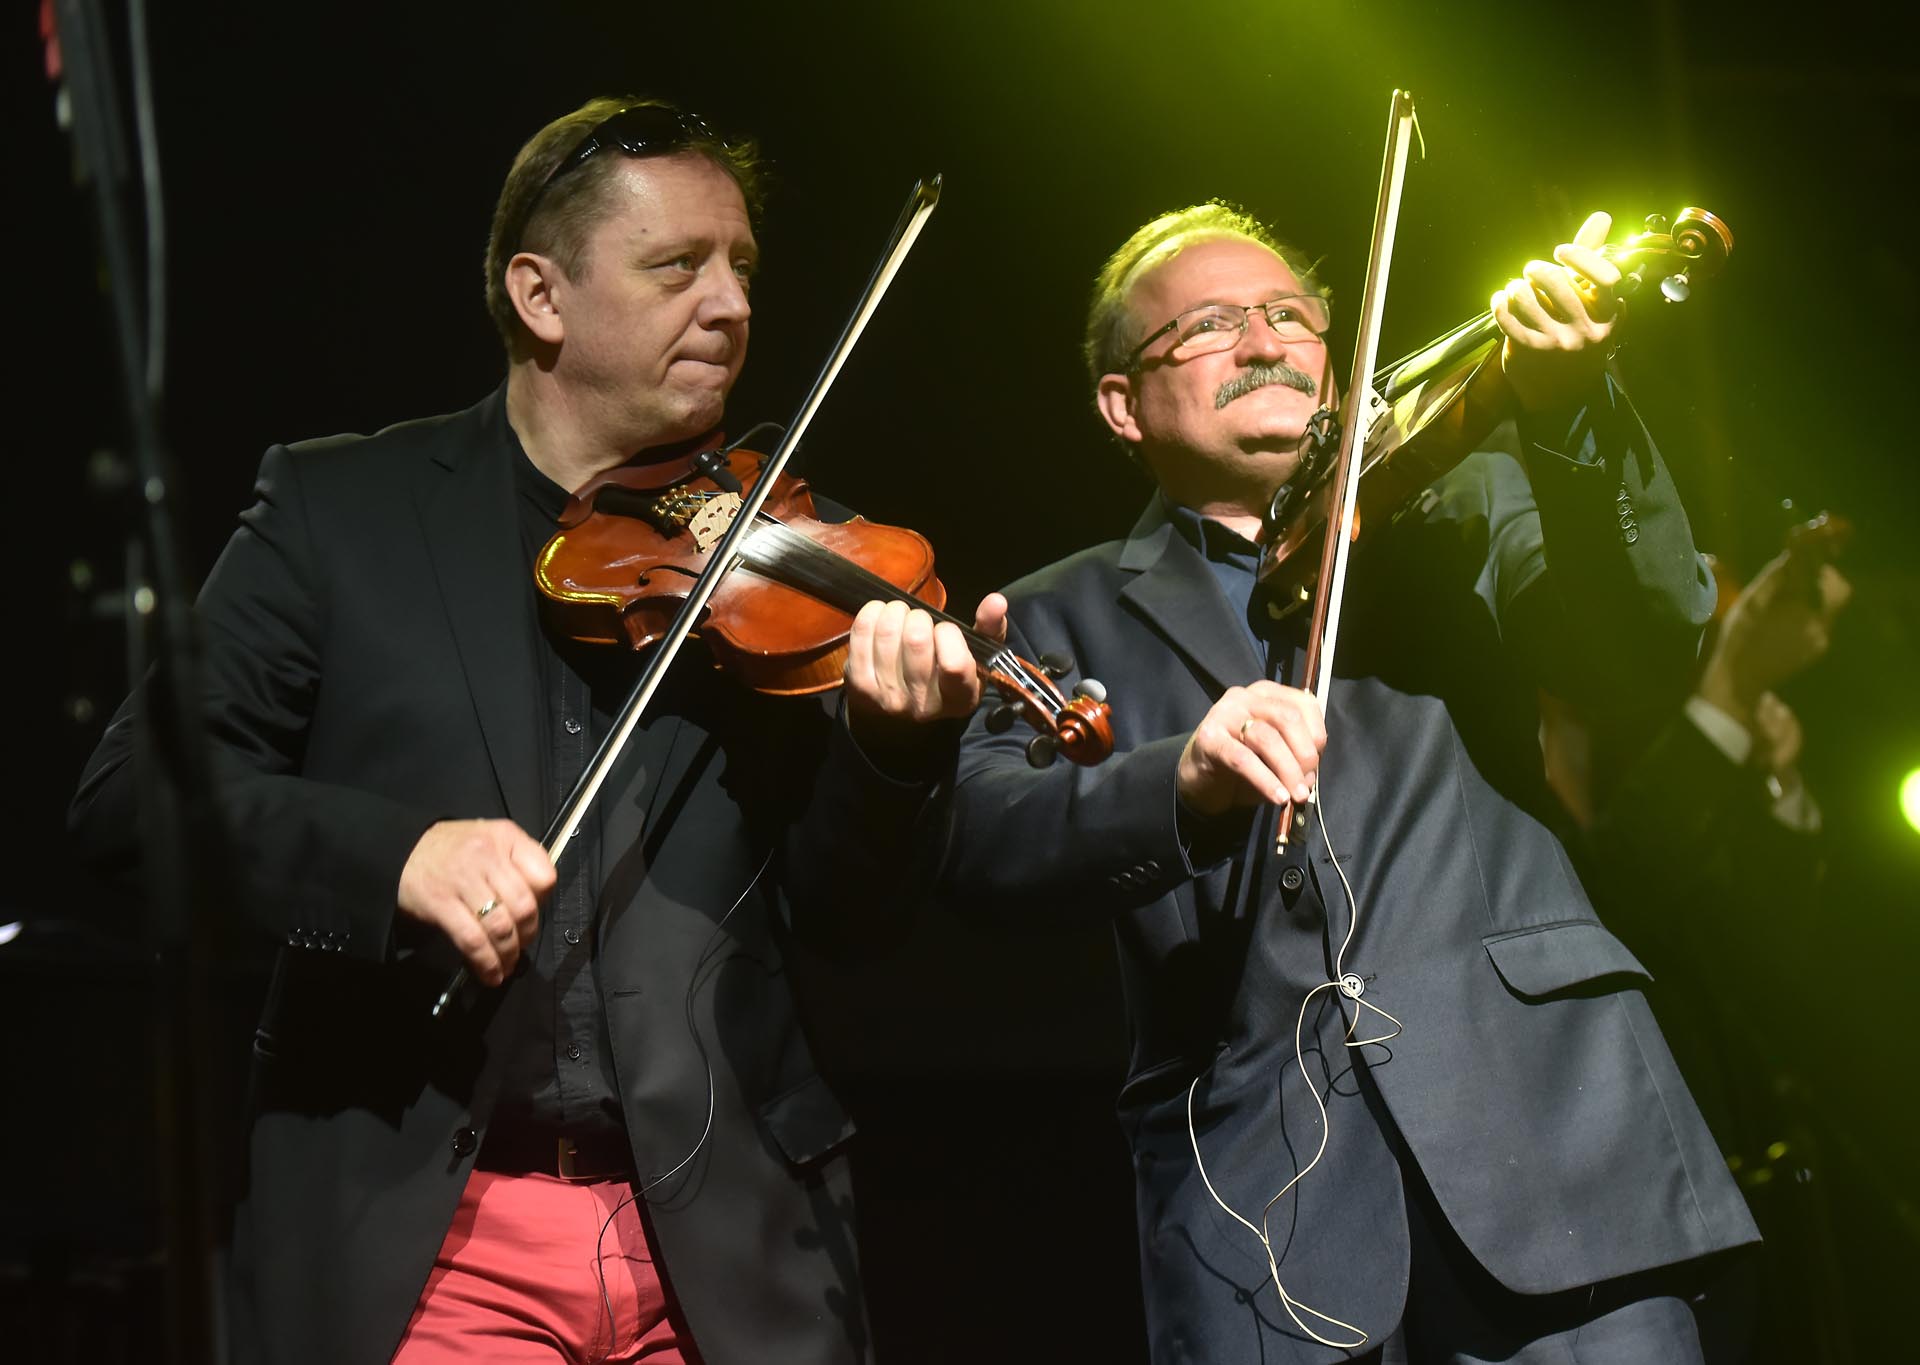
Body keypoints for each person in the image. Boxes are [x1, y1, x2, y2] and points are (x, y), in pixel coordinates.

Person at [70, 96, 996, 1365]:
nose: (730, 304)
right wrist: (396, 858)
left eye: (741, 266)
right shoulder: (339, 510)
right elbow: (133, 797)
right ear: (540, 295)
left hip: (720, 1247)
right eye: (677, 266)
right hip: (426, 1241)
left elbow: (851, 922)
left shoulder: (787, 561)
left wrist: (896, 753)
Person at [939, 200, 1760, 1362]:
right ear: (1122, 403)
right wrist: (1182, 779)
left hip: (1551, 1146)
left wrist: (1571, 410)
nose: (1265, 343)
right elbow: (983, 840)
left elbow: (1641, 648)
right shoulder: (1052, 615)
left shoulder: (1460, 506)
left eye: (1291, 316)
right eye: (1210, 325)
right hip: (1263, 1212)